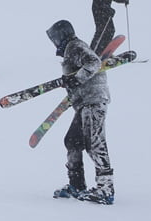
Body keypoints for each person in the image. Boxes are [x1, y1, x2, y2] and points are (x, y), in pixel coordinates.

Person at [46, 19, 115, 204]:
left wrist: (76, 79)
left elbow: (93, 62)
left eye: (54, 38)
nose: (54, 42)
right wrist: (72, 84)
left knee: (95, 142)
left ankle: (105, 188)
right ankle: (77, 185)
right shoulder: (71, 49)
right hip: (85, 102)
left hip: (93, 101)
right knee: (72, 141)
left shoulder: (75, 46)